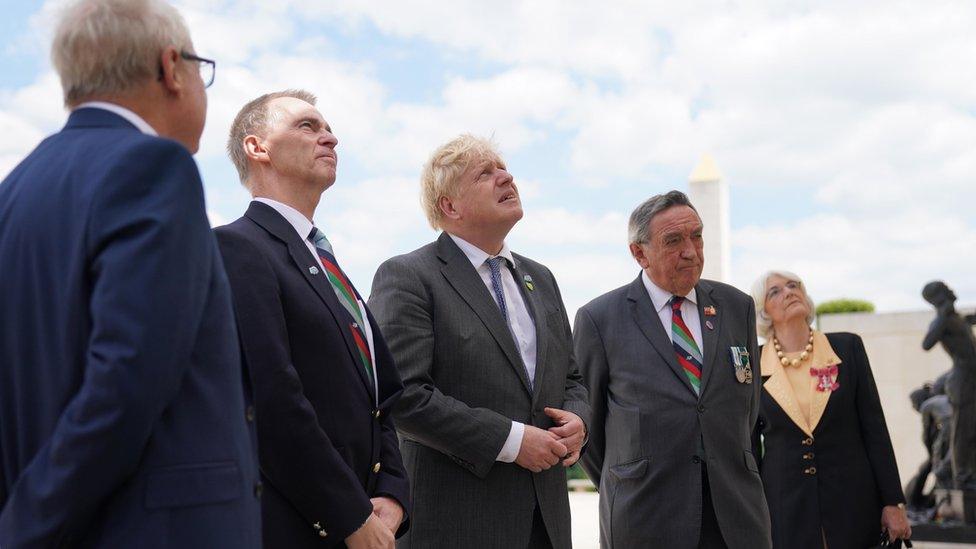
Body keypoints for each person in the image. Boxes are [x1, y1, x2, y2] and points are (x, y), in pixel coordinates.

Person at [0, 0, 261, 547]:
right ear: (170, 68)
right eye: (199, 68)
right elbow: (127, 380)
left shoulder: (13, 192)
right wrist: (25, 524)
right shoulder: (154, 167)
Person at [369, 134, 590, 548]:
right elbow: (404, 397)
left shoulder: (540, 278)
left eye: (504, 168)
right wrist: (512, 441)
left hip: (547, 523)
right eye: (485, 174)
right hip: (456, 523)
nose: (506, 177)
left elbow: (572, 379)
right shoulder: (409, 276)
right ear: (450, 207)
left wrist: (578, 423)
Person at [216, 90, 410, 549]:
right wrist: (349, 515)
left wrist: (393, 493)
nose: (331, 138)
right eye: (308, 126)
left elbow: (380, 397)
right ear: (257, 147)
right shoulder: (238, 248)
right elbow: (270, 397)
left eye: (328, 128)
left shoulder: (328, 265)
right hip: (298, 527)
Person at [575, 190, 771, 549]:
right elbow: (588, 431)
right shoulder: (599, 319)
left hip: (736, 518)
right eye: (673, 241)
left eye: (696, 235)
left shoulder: (736, 306)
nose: (691, 251)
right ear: (639, 253)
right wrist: (634, 475)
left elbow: (747, 409)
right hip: (646, 518)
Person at [751, 270, 910, 548]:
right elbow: (749, 448)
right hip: (785, 507)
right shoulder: (752, 363)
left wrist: (892, 502)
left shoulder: (847, 348)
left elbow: (874, 429)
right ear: (762, 310)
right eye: (775, 291)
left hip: (853, 502)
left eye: (793, 285)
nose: (789, 292)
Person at [922, 280, 976, 491]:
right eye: (946, 289)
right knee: (961, 430)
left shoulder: (957, 319)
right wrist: (943, 315)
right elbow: (926, 344)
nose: (952, 290)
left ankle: (969, 473)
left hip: (972, 378)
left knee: (972, 429)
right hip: (961, 380)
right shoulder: (942, 320)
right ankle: (962, 478)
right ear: (939, 296)